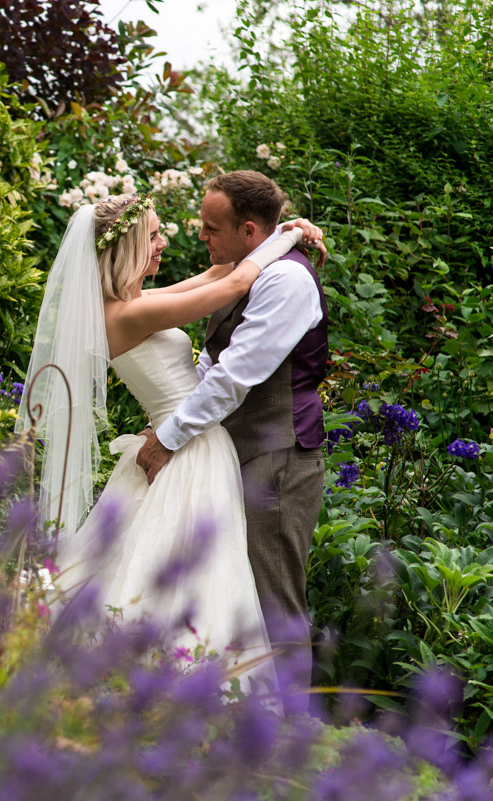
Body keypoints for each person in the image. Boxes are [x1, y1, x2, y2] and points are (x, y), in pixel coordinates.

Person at [16, 192, 322, 701]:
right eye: (154, 236)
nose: (165, 243)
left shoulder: (131, 305)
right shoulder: (128, 313)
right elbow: (239, 280)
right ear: (128, 248)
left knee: (180, 564)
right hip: (190, 448)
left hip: (182, 436)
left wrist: (277, 232)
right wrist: (288, 237)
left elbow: (215, 276)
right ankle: (196, 695)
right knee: (198, 572)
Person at [135, 171, 330, 714]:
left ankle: (293, 734)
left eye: (210, 228)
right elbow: (213, 359)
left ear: (248, 230)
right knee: (228, 591)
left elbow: (236, 375)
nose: (201, 237)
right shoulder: (246, 267)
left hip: (279, 457)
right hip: (231, 454)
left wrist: (168, 438)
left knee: (273, 598)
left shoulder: (285, 280)